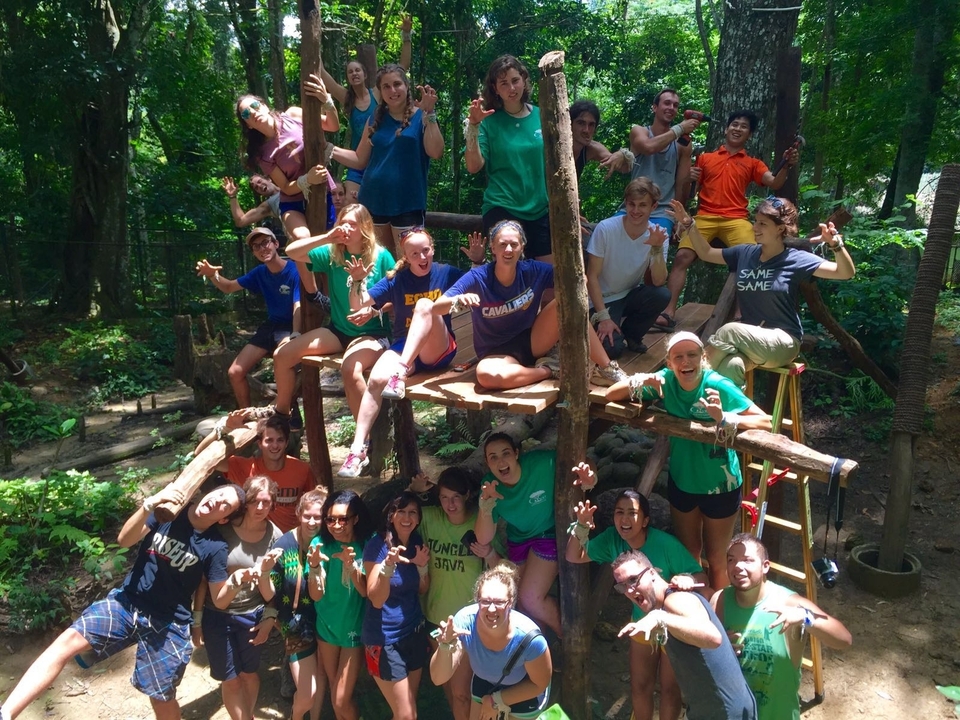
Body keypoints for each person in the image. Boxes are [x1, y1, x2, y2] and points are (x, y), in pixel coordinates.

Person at [0, 484, 244, 720]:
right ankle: (6, 713)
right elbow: (125, 540)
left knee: (161, 696)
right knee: (66, 642)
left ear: (224, 519)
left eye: (225, 505)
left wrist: (235, 583)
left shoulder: (215, 547)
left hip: (168, 622)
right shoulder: (170, 511)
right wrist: (149, 505)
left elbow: (220, 600)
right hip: (127, 602)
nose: (217, 501)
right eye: (219, 494)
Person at [606, 331, 771, 589]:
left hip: (720, 485)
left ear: (702, 358)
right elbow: (610, 394)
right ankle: (698, 610)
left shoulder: (717, 385)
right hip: (683, 481)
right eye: (678, 357)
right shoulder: (665, 380)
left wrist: (725, 417)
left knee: (717, 558)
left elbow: (765, 421)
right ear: (670, 363)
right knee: (689, 554)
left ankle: (722, 614)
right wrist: (640, 381)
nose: (686, 362)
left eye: (692, 355)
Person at [336, 229, 483, 477]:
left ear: (433, 249)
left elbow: (478, 280)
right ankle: (358, 450)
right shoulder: (397, 279)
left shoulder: (445, 273)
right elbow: (358, 304)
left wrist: (478, 260)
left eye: (425, 250)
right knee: (376, 380)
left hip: (438, 348)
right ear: (405, 255)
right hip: (404, 347)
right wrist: (359, 281)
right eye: (414, 253)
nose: (422, 256)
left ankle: (401, 371)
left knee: (425, 305)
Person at [671, 197, 856, 386]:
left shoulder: (796, 259)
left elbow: (845, 273)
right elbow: (706, 253)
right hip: (749, 340)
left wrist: (836, 245)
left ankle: (683, 385)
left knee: (730, 330)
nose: (754, 227)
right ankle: (720, 411)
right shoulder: (745, 253)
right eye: (755, 222)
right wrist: (689, 224)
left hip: (784, 341)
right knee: (732, 365)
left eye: (762, 224)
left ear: (780, 228)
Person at [565, 474, 706, 720]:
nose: (625, 519)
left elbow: (699, 574)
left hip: (672, 625)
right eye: (620, 512)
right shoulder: (612, 539)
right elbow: (574, 556)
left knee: (670, 690)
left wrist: (689, 580)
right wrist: (581, 526)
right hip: (641, 621)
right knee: (640, 687)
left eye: (632, 513)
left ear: (645, 520)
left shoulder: (666, 544)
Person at [431, 220, 626, 390]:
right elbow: (437, 307)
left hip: (532, 340)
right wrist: (457, 301)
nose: (508, 250)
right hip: (496, 353)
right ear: (493, 247)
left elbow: (575, 280)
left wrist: (577, 281)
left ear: (522, 247)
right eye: (503, 244)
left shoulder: (533, 270)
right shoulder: (478, 277)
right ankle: (549, 370)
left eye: (514, 244)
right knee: (486, 377)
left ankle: (606, 369)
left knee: (567, 301)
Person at [657, 109, 798, 329]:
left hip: (736, 219)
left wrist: (786, 164)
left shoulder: (752, 163)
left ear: (749, 134)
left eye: (744, 126)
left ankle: (742, 316)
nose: (738, 128)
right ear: (726, 128)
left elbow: (774, 182)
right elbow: (689, 189)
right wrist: (689, 179)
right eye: (734, 124)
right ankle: (668, 311)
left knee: (752, 259)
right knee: (683, 256)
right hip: (705, 216)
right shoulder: (706, 158)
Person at [276, 203, 394, 422]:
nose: (345, 229)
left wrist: (373, 311)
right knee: (282, 356)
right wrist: (327, 238)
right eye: (342, 223)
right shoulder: (332, 252)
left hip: (374, 332)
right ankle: (280, 413)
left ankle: (364, 437)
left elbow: (396, 298)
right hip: (338, 330)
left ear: (364, 227)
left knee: (351, 371)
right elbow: (291, 252)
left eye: (351, 224)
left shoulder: (382, 256)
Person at [714, 534, 852, 720]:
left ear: (765, 566)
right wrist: (719, 653)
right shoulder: (719, 601)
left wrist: (806, 617)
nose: (738, 566)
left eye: (747, 560)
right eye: (732, 560)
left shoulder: (789, 602)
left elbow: (844, 639)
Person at [613, 549, 758, 720]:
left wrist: (661, 618)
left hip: (725, 713)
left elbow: (713, 637)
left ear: (652, 573)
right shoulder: (669, 604)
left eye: (633, 579)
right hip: (708, 711)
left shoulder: (675, 601)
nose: (630, 590)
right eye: (622, 586)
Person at [236, 82, 340, 298]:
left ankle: (338, 303)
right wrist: (306, 180)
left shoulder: (292, 115)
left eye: (254, 105)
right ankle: (314, 295)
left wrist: (326, 101)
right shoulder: (262, 153)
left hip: (323, 193)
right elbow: (284, 187)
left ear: (264, 104)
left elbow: (331, 125)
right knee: (301, 239)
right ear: (247, 125)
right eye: (246, 113)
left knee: (333, 248)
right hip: (293, 200)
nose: (253, 112)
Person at [194, 476, 283, 720]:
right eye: (255, 501)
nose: (261, 507)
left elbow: (277, 583)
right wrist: (197, 619)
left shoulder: (275, 536)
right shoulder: (221, 530)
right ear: (245, 502)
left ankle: (247, 715)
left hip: (252, 615)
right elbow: (203, 580)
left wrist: (269, 617)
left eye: (267, 502)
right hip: (217, 615)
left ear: (273, 504)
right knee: (230, 679)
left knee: (249, 674)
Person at [329, 63, 443, 253]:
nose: (393, 90)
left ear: (406, 86)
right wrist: (329, 149)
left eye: (397, 84)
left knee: (407, 263)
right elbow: (359, 159)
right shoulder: (375, 118)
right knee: (379, 265)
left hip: (407, 203)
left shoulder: (421, 116)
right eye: (386, 86)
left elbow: (436, 152)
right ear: (380, 92)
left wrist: (430, 113)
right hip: (373, 201)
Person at [415, 468, 498, 720]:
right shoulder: (429, 518)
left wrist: (490, 554)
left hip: (468, 623)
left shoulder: (480, 522)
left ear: (468, 495)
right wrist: (413, 491)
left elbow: (504, 571)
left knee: (462, 691)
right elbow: (396, 516)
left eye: (456, 497)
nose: (450, 504)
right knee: (448, 687)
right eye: (444, 497)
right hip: (435, 617)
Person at [430, 563, 553, 720]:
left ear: (510, 603)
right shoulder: (465, 623)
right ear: (477, 601)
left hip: (524, 691)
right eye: (485, 602)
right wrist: (445, 646)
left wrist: (496, 701)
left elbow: (539, 684)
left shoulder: (530, 639)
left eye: (499, 602)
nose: (492, 609)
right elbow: (438, 678)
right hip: (486, 683)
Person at [195, 226, 300, 408]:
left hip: (291, 326)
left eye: (265, 243)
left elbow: (298, 306)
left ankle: (288, 411)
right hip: (271, 326)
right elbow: (228, 287)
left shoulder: (295, 270)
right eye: (256, 246)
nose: (262, 249)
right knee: (235, 372)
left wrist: (296, 334)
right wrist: (213, 275)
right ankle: (246, 415)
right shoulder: (259, 273)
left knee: (280, 358)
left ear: (276, 244)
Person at [465, 55, 555, 262]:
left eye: (515, 80)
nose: (511, 88)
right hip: (502, 207)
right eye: (504, 83)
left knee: (547, 280)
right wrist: (473, 126)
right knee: (510, 278)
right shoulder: (488, 121)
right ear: (495, 89)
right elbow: (473, 166)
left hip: (540, 209)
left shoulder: (543, 116)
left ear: (524, 80)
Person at [474, 433, 561, 638]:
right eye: (493, 457)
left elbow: (579, 460)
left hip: (547, 533)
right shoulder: (490, 486)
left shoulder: (542, 463)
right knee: (521, 602)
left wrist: (589, 477)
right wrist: (486, 505)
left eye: (506, 454)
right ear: (487, 462)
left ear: (516, 454)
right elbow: (483, 538)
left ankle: (566, 637)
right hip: (519, 539)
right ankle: (541, 648)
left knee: (530, 598)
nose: (501, 461)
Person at [319, 14, 413, 202]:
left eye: (357, 70)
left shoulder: (378, 93)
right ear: (348, 77)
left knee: (377, 208)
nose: (354, 73)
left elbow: (402, 67)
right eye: (350, 71)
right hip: (357, 162)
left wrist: (406, 35)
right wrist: (314, 43)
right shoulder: (347, 97)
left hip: (381, 158)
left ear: (364, 74)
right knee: (351, 206)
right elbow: (323, 75)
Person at [258, 488, 329, 720]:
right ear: (298, 514)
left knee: (322, 679)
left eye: (318, 517)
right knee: (308, 693)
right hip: (298, 626)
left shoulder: (332, 542)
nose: (312, 521)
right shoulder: (284, 544)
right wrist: (264, 574)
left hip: (330, 622)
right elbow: (272, 592)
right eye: (307, 515)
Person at [362, 492, 431, 720]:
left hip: (414, 633)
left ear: (419, 518)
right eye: (401, 511)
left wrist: (421, 567)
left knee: (406, 711)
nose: (407, 517)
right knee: (407, 715)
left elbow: (421, 589)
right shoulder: (377, 546)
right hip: (384, 640)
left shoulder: (417, 542)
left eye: (412, 512)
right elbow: (376, 599)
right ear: (391, 516)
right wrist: (387, 567)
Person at [586, 178, 671, 358]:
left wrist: (656, 248)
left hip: (628, 294)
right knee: (612, 351)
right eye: (631, 204)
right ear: (626, 203)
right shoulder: (606, 229)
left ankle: (632, 335)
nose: (636, 210)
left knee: (662, 295)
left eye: (642, 205)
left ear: (653, 207)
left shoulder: (658, 234)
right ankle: (612, 331)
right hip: (600, 300)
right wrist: (603, 317)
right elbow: (591, 276)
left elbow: (658, 281)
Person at [309, 489, 374, 720]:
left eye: (342, 519)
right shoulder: (319, 545)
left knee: (339, 698)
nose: (336, 525)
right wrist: (315, 568)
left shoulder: (368, 543)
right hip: (326, 626)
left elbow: (366, 591)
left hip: (353, 629)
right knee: (337, 695)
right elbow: (316, 596)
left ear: (355, 518)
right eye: (330, 519)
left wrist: (352, 567)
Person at [195, 413, 317, 533]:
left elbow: (316, 502)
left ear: (286, 443)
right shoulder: (244, 467)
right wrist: (224, 429)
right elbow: (201, 456)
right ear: (260, 444)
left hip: (291, 540)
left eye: (280, 440)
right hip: (254, 540)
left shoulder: (302, 469)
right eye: (269, 440)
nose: (275, 445)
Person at [620, 88, 700, 238]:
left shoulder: (683, 144)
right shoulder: (639, 131)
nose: (671, 108)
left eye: (675, 105)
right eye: (667, 103)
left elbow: (680, 185)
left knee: (655, 245)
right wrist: (680, 128)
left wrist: (679, 217)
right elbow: (648, 147)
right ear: (655, 107)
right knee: (606, 232)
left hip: (663, 213)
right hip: (631, 207)